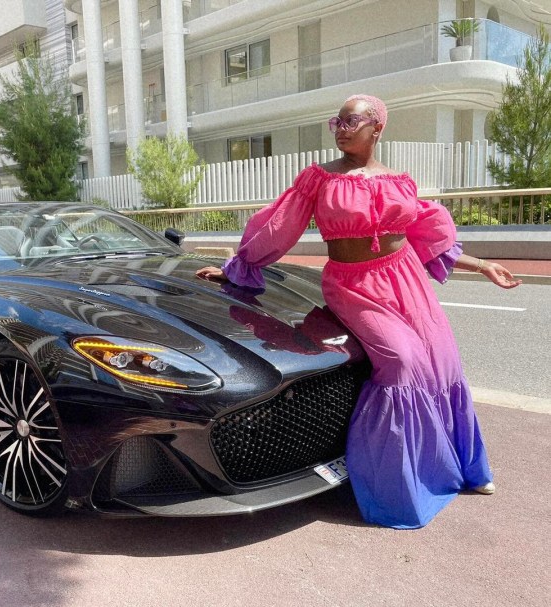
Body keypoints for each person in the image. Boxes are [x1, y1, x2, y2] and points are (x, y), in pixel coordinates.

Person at [196, 94, 522, 529]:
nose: (341, 129)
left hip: (405, 278)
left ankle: (457, 466)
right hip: (352, 285)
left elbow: (427, 235)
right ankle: (396, 485)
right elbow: (278, 226)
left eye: (351, 121)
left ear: (377, 128)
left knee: (442, 360)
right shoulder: (320, 179)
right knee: (401, 361)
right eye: (337, 122)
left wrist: (482, 266)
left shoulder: (399, 181)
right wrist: (237, 266)